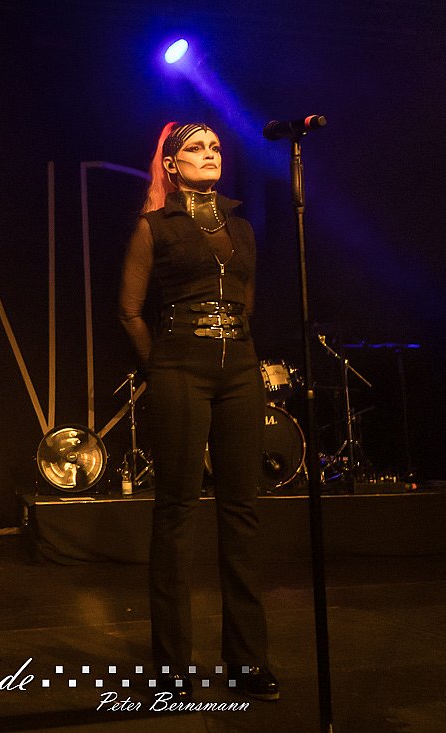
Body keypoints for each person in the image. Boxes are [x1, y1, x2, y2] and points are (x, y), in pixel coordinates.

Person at [118, 122, 279, 701]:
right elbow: (130, 310)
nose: (209, 154)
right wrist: (161, 366)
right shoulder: (154, 227)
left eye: (214, 147)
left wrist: (237, 352)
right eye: (195, 148)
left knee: (242, 511)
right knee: (177, 511)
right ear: (171, 163)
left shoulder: (241, 226)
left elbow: (247, 302)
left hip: (239, 369)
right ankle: (172, 667)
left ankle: (246, 662)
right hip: (179, 369)